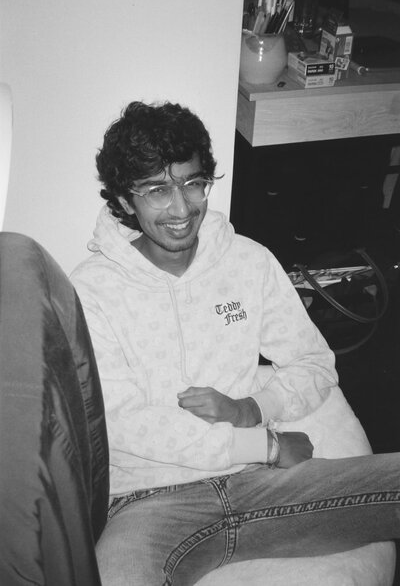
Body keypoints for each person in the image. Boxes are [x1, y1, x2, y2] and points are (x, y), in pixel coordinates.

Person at [71, 100, 400, 586]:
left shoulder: (247, 262)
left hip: (260, 488)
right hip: (147, 505)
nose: (182, 209)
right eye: (157, 190)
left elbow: (313, 363)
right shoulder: (92, 290)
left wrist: (252, 408)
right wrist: (263, 443)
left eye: (193, 183)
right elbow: (120, 422)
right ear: (124, 200)